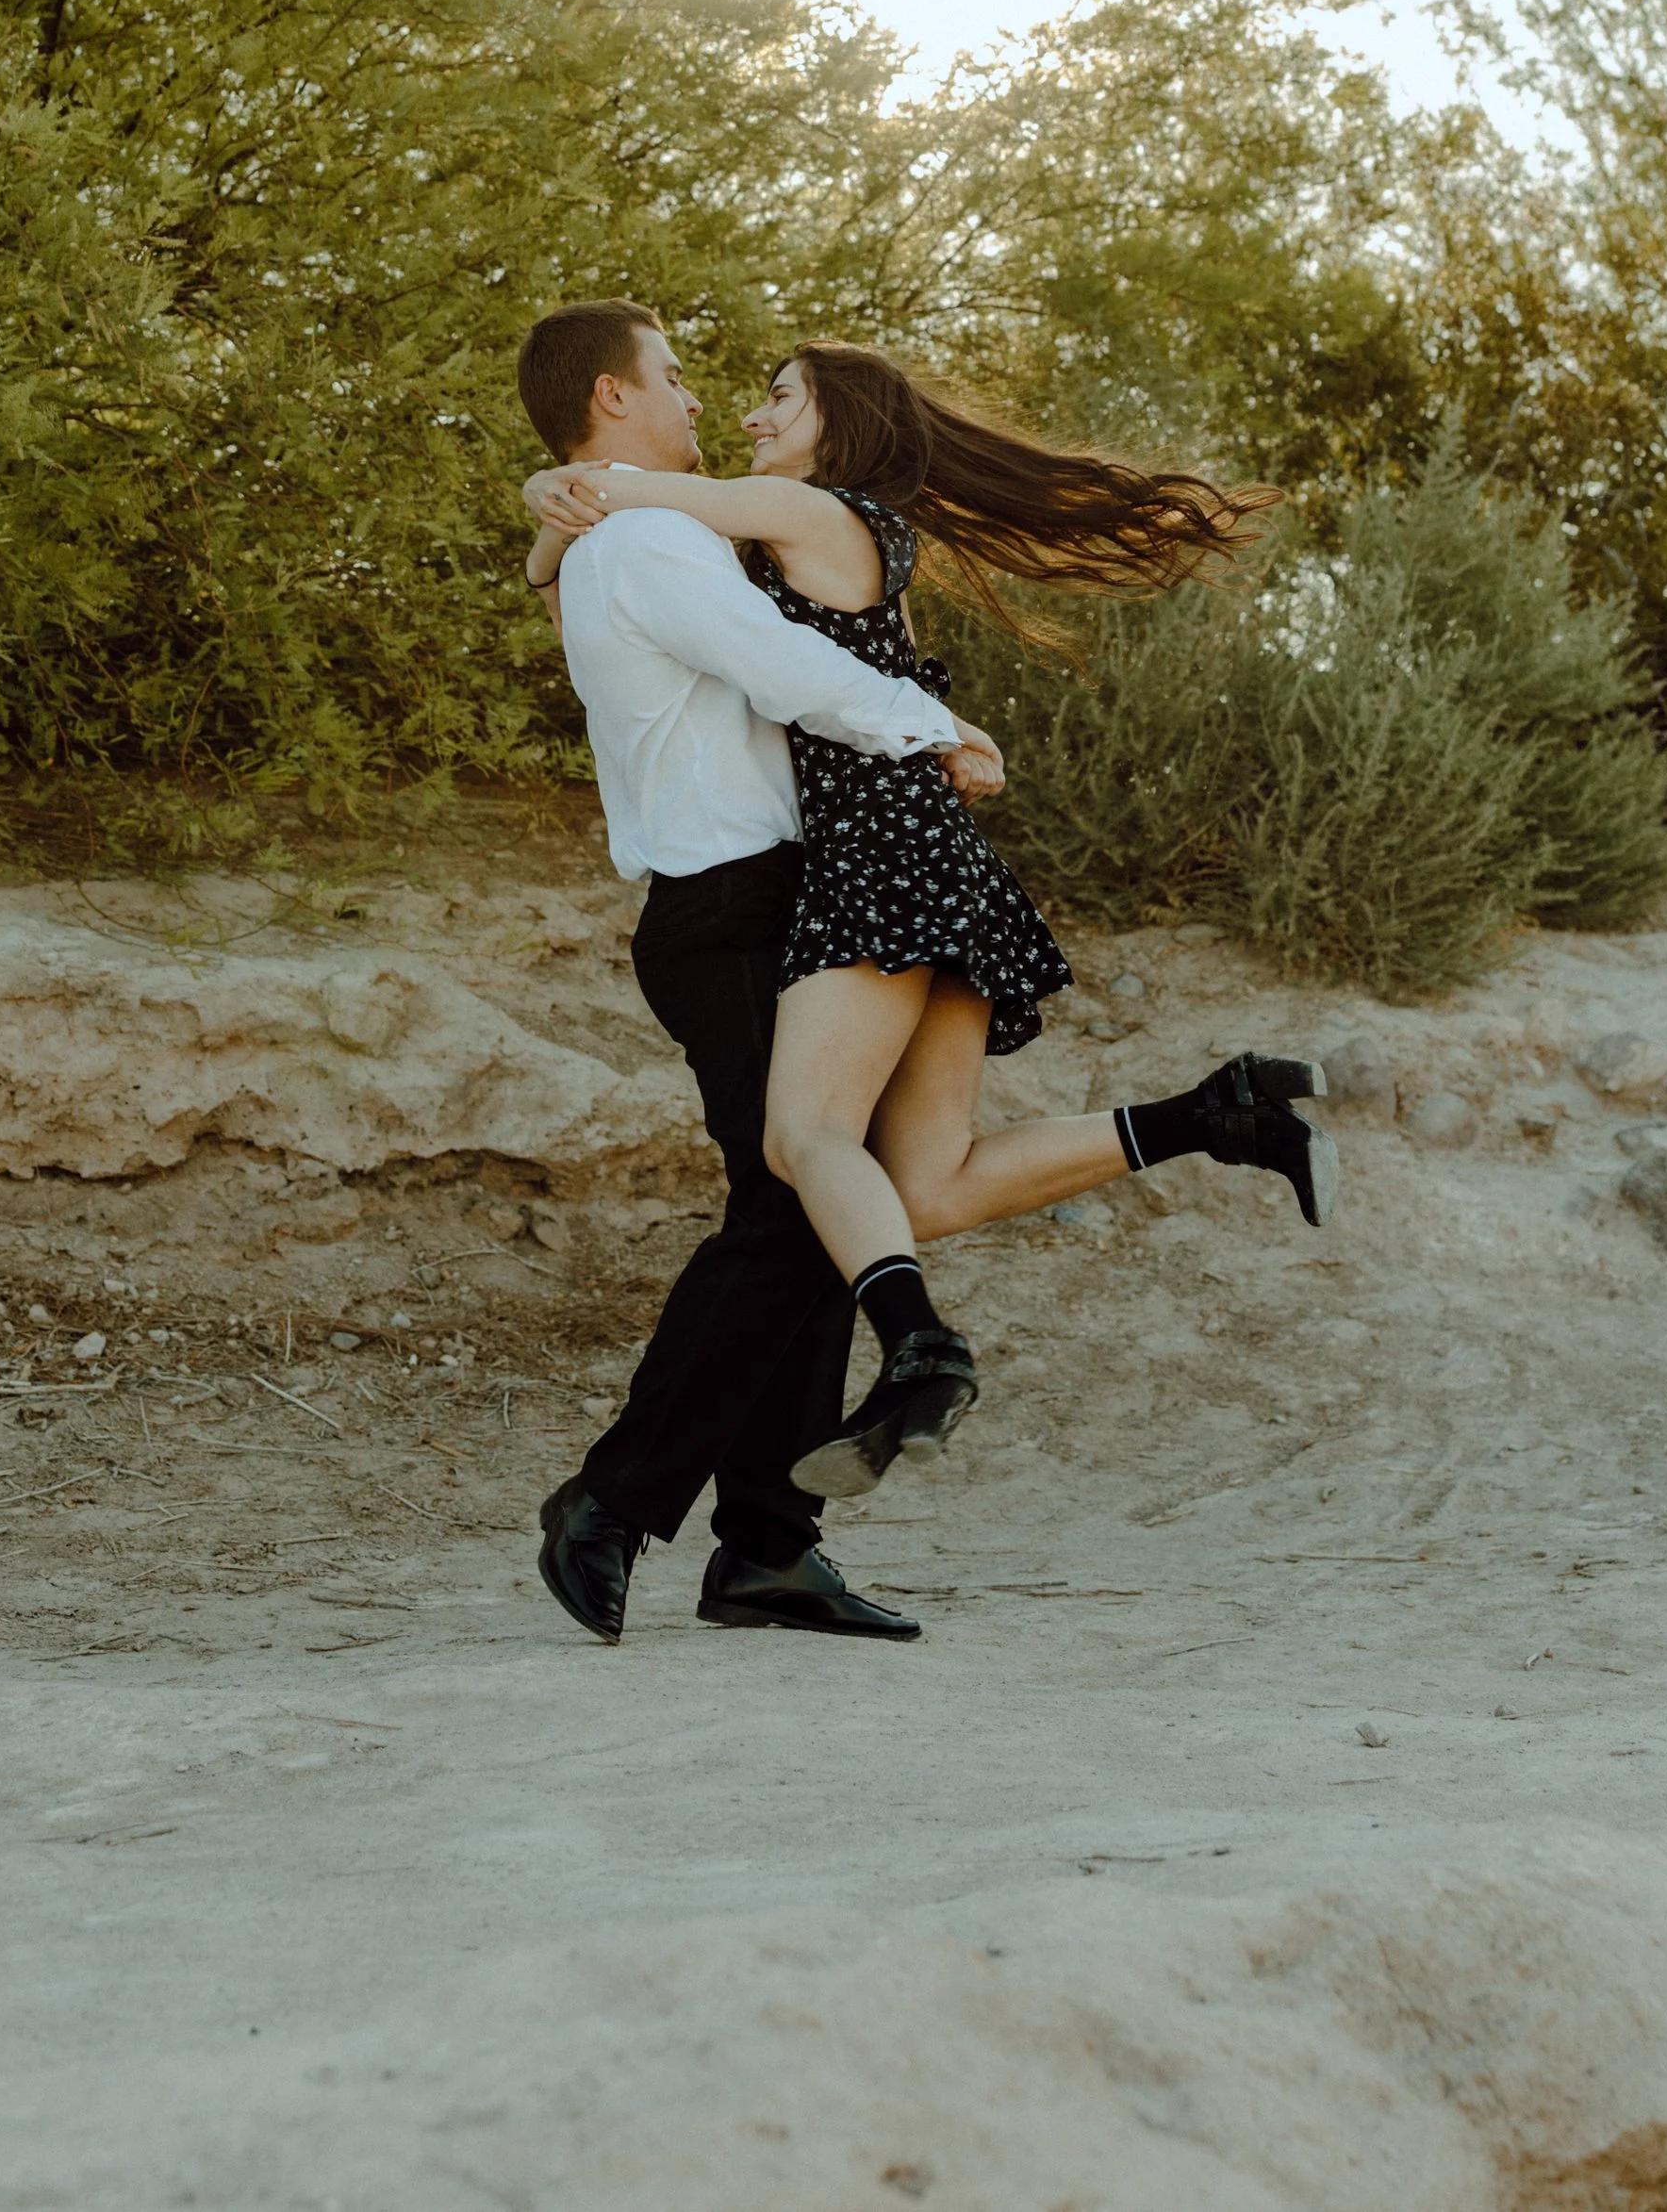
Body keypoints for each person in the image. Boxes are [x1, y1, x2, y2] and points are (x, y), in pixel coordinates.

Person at [522, 337, 1337, 1504]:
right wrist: (553, 507)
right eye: (710, 386)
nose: (740, 410)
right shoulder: (819, 530)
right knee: (924, 1183)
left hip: (871, 858)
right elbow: (631, 551)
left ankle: (914, 1356)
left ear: (836, 425)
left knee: (805, 1156)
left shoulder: (784, 516)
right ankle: (1214, 1116)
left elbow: (692, 555)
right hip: (924, 855)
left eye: (778, 396)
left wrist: (565, 489)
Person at [515, 299, 1008, 1649]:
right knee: (797, 1205)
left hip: (766, 903)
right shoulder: (654, 539)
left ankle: (767, 1550)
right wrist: (936, 723)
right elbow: (782, 667)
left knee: (801, 1208)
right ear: (614, 399)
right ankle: (617, 1502)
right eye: (671, 378)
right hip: (724, 910)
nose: (696, 401)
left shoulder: (631, 528)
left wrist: (549, 508)